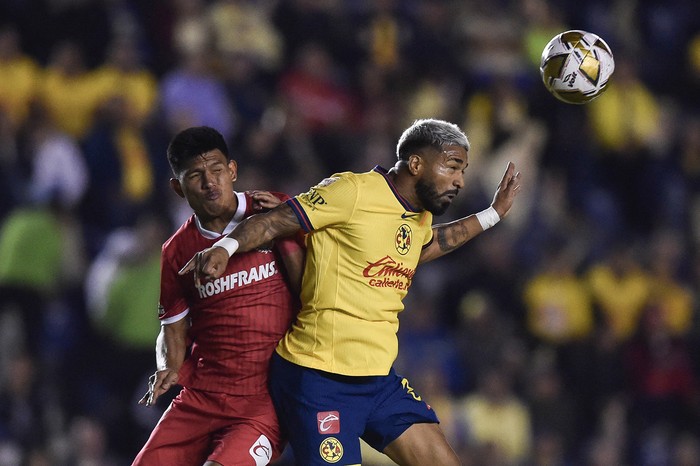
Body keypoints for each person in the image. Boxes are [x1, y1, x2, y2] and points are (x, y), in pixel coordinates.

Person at [180, 118, 522, 465]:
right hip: (319, 378)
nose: (460, 180)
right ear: (416, 164)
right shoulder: (353, 191)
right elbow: (274, 221)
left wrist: (493, 214)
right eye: (452, 167)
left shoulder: (417, 217)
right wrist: (224, 248)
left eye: (462, 171)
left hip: (377, 381)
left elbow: (429, 244)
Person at [132, 126, 305, 466]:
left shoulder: (275, 211)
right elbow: (173, 326)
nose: (210, 182)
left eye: (216, 170)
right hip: (202, 396)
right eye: (196, 175)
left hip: (263, 400)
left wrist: (293, 226)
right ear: (178, 188)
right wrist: (167, 365)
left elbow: (313, 283)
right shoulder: (176, 251)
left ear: (233, 171)